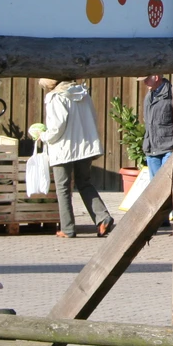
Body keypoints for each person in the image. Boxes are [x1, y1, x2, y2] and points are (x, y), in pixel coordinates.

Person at [34, 78, 113, 238]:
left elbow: (57, 127)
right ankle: (103, 218)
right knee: (84, 183)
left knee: (63, 188)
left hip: (63, 148)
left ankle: (68, 228)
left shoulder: (55, 97)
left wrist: (43, 136)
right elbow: (93, 117)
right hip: (85, 146)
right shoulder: (83, 94)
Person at [138, 74, 173, 178]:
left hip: (168, 149)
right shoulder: (149, 96)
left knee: (167, 185)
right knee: (155, 188)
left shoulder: (172, 95)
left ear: (156, 77)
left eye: (146, 79)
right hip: (151, 149)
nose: (144, 82)